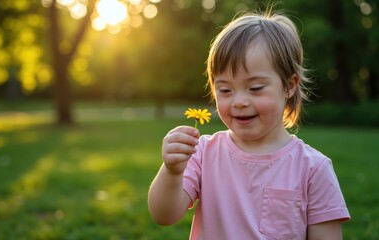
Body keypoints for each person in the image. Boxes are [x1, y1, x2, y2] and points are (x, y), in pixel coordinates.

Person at [148, 10, 350, 239]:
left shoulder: (313, 169)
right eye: (225, 90)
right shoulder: (204, 153)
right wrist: (172, 171)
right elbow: (163, 215)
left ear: (289, 85)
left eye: (255, 88)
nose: (239, 102)